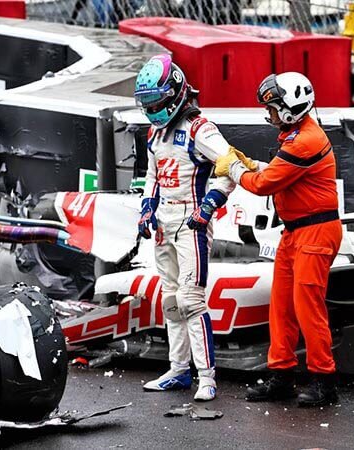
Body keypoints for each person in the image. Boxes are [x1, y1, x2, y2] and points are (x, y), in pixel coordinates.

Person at [215, 72, 342, 407]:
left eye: (272, 107)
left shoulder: (304, 140)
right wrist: (250, 164)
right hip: (296, 231)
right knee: (282, 306)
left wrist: (234, 169)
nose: (268, 113)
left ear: (288, 109)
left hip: (315, 232)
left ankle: (324, 381)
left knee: (307, 308)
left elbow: (263, 184)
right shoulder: (298, 135)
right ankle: (281, 375)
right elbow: (278, 171)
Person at [134, 54, 236, 401]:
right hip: (164, 223)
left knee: (191, 300)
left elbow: (230, 165)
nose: (152, 109)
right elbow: (152, 175)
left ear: (174, 93)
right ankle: (178, 370)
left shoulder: (199, 128)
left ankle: (207, 377)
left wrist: (209, 205)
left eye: (156, 101)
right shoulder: (155, 132)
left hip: (192, 222)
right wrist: (146, 209)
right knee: (171, 301)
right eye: (146, 103)